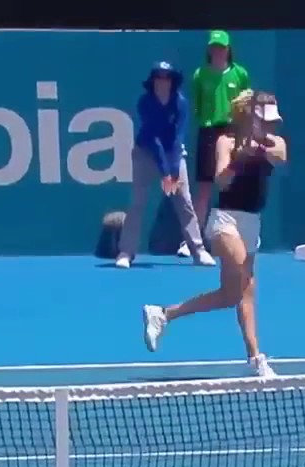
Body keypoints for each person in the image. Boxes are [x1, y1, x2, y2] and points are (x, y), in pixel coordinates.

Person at [142, 91, 285, 379]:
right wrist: (238, 159)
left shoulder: (275, 141)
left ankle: (163, 314)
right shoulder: (226, 142)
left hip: (252, 225)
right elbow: (220, 178)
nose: (271, 126)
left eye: (272, 121)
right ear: (247, 116)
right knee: (247, 283)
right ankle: (256, 358)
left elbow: (280, 157)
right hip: (225, 221)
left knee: (230, 295)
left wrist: (259, 148)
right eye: (264, 120)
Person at [116, 62, 214, 269]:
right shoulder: (145, 102)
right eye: (159, 77)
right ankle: (126, 252)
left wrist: (174, 170)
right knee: (137, 203)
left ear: (173, 81)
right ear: (153, 81)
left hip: (173, 154)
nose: (163, 81)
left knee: (185, 202)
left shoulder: (181, 103)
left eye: (167, 77)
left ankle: (199, 250)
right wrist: (165, 174)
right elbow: (155, 139)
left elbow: (177, 137)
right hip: (145, 154)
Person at [182, 29, 252, 259]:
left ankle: (235, 239)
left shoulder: (240, 74)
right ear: (209, 49)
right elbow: (197, 106)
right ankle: (192, 241)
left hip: (233, 132)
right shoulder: (200, 75)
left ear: (228, 49)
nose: (218, 51)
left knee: (232, 187)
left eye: (222, 47)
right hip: (208, 131)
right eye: (214, 47)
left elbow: (247, 106)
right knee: (203, 189)